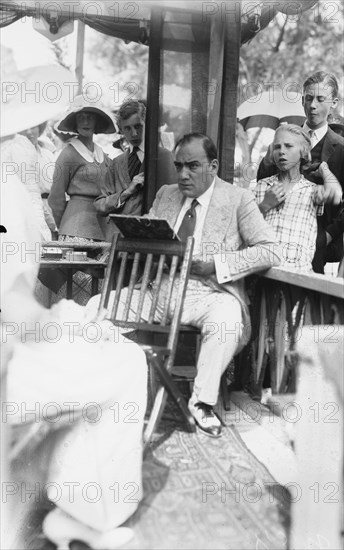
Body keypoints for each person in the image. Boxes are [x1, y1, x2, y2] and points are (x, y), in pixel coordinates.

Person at [1, 63, 148, 550]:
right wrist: (60, 322)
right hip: (11, 354)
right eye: (29, 143)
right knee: (124, 361)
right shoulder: (12, 197)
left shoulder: (17, 191)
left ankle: (77, 506)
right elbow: (17, 309)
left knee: (97, 336)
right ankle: (85, 511)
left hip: (18, 333)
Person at [88, 133, 281, 438]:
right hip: (157, 289)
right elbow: (147, 230)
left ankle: (202, 402)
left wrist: (216, 265)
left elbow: (270, 249)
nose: (182, 175)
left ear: (213, 166)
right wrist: (145, 244)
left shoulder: (237, 199)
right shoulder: (167, 194)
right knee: (95, 309)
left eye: (192, 166)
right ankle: (106, 392)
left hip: (208, 294)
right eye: (178, 166)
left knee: (228, 322)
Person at [257, 71, 344, 273]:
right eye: (308, 98)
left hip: (317, 245)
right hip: (272, 241)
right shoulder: (283, 141)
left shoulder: (341, 149)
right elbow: (262, 182)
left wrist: (327, 235)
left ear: (334, 103)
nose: (312, 105)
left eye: (320, 99)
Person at [94, 99, 177, 236]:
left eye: (138, 126)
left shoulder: (163, 157)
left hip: (153, 239)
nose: (133, 133)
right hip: (120, 241)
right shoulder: (116, 163)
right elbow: (100, 205)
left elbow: (174, 200)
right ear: (121, 130)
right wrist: (126, 193)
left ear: (147, 125)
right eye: (127, 128)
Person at [254, 124, 326, 271]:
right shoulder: (263, 185)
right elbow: (246, 227)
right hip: (264, 272)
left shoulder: (312, 191)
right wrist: (265, 205)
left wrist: (324, 173)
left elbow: (335, 195)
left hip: (298, 275)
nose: (281, 152)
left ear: (303, 152)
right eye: (277, 147)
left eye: (288, 146)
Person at [49, 95, 116, 243]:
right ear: (75, 122)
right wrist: (64, 226)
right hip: (75, 227)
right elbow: (56, 197)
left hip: (101, 226)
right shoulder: (68, 153)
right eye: (81, 117)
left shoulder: (103, 155)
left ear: (96, 121)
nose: (86, 122)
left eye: (90, 117)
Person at [20, 122, 58, 238]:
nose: (29, 132)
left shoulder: (48, 155)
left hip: (53, 207)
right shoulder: (17, 156)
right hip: (29, 208)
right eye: (25, 128)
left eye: (33, 127)